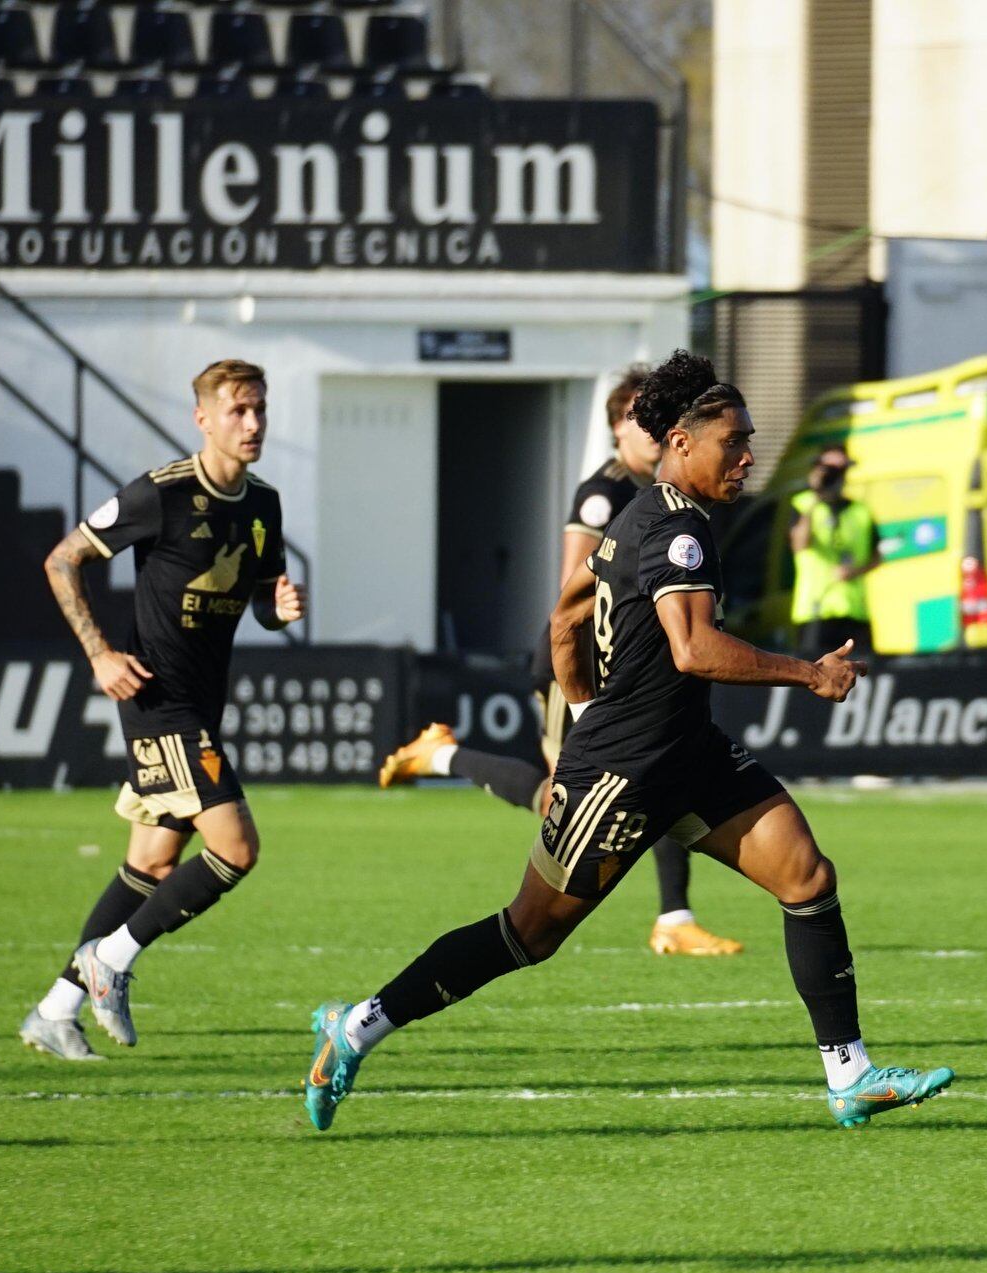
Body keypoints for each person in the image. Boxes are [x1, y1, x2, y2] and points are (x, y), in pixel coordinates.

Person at [303, 351, 953, 1134]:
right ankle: (358, 1026)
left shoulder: (640, 517)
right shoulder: (678, 529)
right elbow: (694, 649)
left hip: (689, 754)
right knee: (526, 933)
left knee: (808, 876)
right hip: (624, 773)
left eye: (750, 439)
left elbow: (566, 617)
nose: (748, 455)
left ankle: (849, 1074)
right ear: (680, 442)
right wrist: (808, 675)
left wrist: (579, 705)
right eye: (734, 441)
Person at [378, 365, 740, 957]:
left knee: (663, 772)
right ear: (619, 428)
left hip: (626, 669)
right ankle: (440, 755)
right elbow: (576, 590)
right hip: (584, 662)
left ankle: (674, 916)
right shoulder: (607, 494)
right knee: (560, 797)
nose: (650, 432)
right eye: (637, 420)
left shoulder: (673, 499)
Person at [18, 360, 306, 1061]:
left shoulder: (262, 504)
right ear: (203, 418)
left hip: (204, 704)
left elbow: (258, 597)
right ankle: (111, 959)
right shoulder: (161, 494)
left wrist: (276, 610)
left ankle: (54, 1012)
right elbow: (63, 560)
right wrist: (101, 655)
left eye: (260, 409)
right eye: (238, 410)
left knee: (151, 860)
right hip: (159, 701)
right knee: (237, 848)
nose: (254, 423)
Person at [789, 447, 879, 656]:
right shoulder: (803, 504)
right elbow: (800, 544)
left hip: (854, 610)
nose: (834, 477)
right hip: (816, 609)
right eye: (828, 470)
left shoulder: (860, 511)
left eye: (840, 471)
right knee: (815, 671)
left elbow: (877, 555)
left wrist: (855, 571)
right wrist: (815, 497)